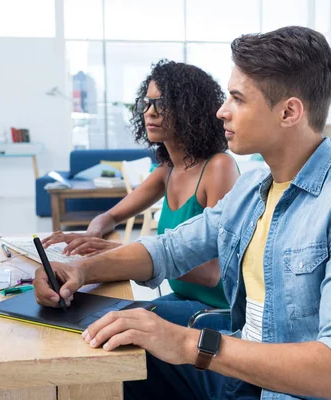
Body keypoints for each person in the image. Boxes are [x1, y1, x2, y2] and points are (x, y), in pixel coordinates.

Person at [34, 26, 331, 400]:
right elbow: (169, 249)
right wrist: (80, 271)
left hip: (293, 392)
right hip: (248, 374)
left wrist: (189, 343)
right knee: (116, 348)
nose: (221, 111)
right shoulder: (252, 190)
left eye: (237, 99)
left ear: (289, 112)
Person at [42, 60, 239, 329]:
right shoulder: (166, 170)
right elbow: (111, 216)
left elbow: (212, 273)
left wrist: (131, 254)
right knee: (86, 309)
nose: (150, 112)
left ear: (191, 110)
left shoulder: (219, 168)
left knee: (101, 320)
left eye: (163, 104)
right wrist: (91, 234)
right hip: (182, 300)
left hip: (215, 313)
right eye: (147, 103)